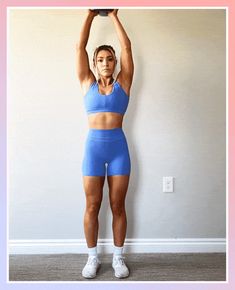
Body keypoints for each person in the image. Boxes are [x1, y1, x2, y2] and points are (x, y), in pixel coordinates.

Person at [76, 9, 134, 279]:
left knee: (118, 205)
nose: (106, 63)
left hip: (118, 149)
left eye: (110, 59)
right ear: (94, 64)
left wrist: (113, 16)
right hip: (94, 151)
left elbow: (126, 46)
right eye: (100, 60)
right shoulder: (87, 82)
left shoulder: (124, 82)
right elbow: (79, 46)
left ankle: (119, 259)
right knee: (91, 205)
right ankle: (92, 258)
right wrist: (89, 15)